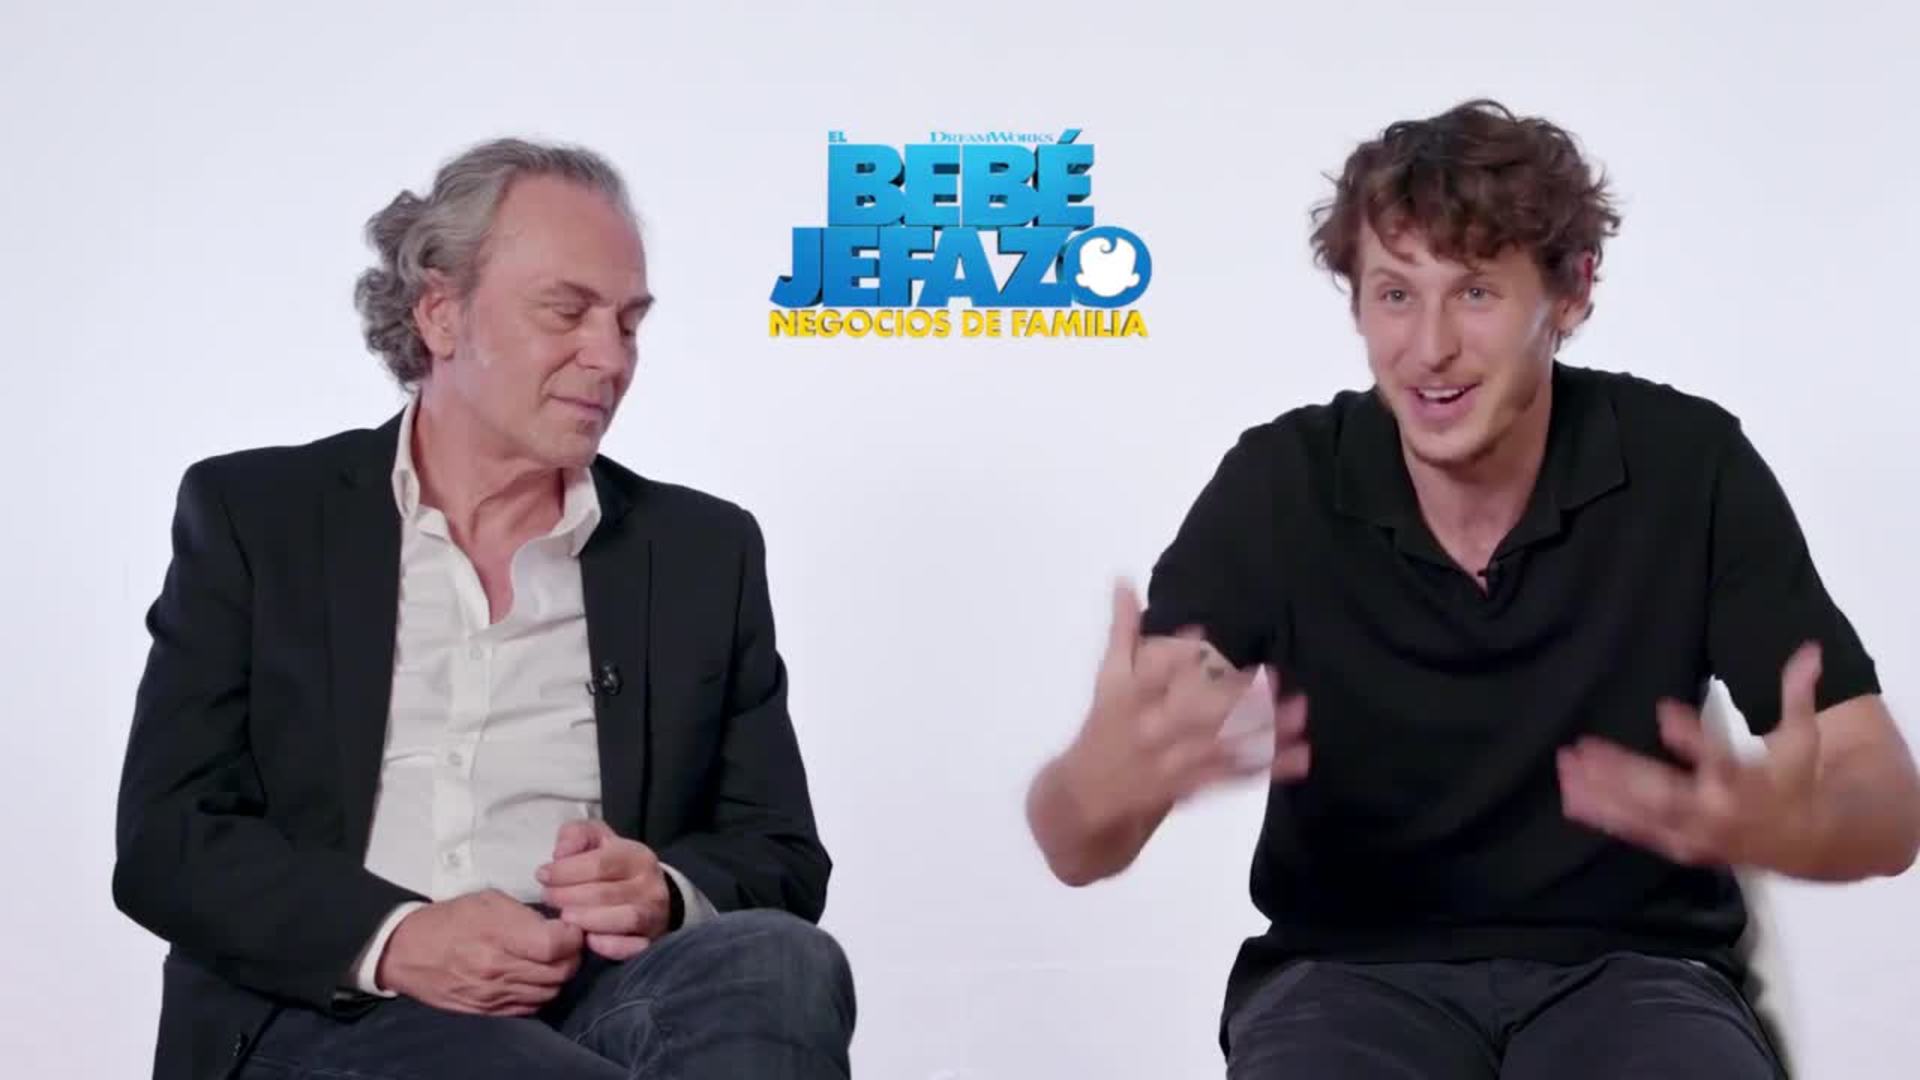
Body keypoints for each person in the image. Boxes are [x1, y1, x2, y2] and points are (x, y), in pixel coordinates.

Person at [1025, 99, 1920, 1079]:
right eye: (1394, 294)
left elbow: (1881, 792)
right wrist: (1096, 794)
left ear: (1571, 292)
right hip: (1346, 978)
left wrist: (1805, 828)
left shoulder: (1689, 466)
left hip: (1638, 974)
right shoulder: (1282, 484)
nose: (1430, 347)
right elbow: (1075, 841)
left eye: (1477, 292)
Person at [113, 138, 854, 1080]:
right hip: (329, 1007)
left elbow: (779, 853)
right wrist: (395, 937)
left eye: (629, 323)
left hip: (595, 995)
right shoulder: (260, 516)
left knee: (782, 964)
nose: (610, 357)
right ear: (440, 312)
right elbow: (168, 841)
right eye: (567, 312)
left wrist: (663, 893)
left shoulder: (702, 551)